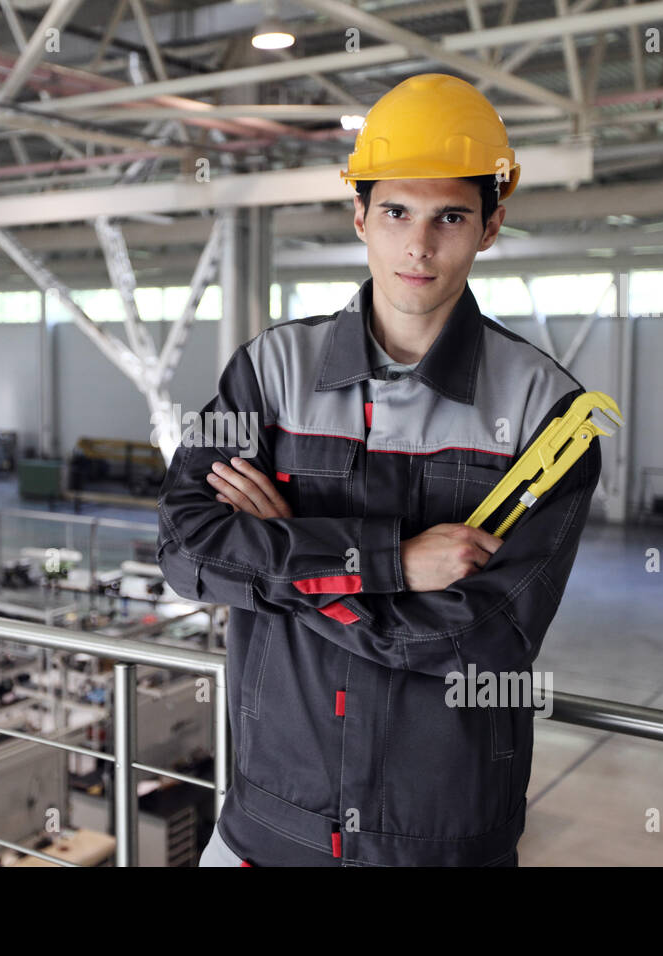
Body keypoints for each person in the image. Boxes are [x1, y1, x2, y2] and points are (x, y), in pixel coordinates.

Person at [157, 74, 603, 867]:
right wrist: (395, 562)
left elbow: (485, 645)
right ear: (358, 213)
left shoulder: (549, 418)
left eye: (450, 217)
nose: (419, 246)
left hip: (439, 839)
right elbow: (186, 549)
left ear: (490, 224)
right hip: (270, 820)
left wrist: (291, 557)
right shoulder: (268, 373)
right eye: (396, 211)